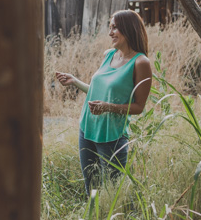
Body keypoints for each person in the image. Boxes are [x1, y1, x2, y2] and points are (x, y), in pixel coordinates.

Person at [55, 10, 152, 195]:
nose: (110, 33)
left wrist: (108, 107)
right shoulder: (109, 55)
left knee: (113, 192)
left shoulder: (141, 63)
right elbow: (97, 91)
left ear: (128, 28)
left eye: (114, 28)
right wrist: (74, 81)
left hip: (112, 136)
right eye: (110, 27)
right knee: (91, 190)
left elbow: (139, 107)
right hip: (87, 129)